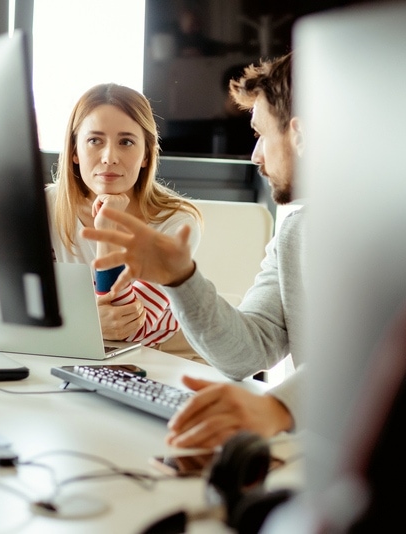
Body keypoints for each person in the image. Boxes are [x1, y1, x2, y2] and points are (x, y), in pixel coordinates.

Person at [82, 53, 306, 449]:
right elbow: (246, 352)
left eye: (260, 135)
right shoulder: (296, 233)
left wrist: (278, 408)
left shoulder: (397, 228)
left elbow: (377, 355)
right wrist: (181, 278)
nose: (255, 156)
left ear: (300, 135)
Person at [47, 83, 202, 353]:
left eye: (126, 142)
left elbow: (126, 328)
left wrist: (108, 226)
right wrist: (85, 323)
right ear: (74, 151)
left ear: (145, 155)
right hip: (74, 348)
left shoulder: (176, 222)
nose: (109, 158)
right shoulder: (43, 206)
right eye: (95, 140)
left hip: (163, 355)